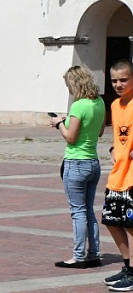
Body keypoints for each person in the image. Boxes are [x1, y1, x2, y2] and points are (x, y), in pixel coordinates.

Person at [49, 66, 105, 269]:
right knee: (88, 210)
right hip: (93, 161)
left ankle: (78, 256)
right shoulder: (98, 102)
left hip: (76, 162)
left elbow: (71, 138)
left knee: (78, 211)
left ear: (75, 84)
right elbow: (98, 132)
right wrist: (70, 122)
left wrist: (59, 124)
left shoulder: (78, 105)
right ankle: (94, 253)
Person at [101, 60, 133, 291]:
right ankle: (127, 266)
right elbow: (118, 137)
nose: (119, 84)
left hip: (132, 175)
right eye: (114, 80)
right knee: (112, 221)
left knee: (132, 224)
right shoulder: (114, 105)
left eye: (124, 79)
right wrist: (114, 150)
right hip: (117, 174)